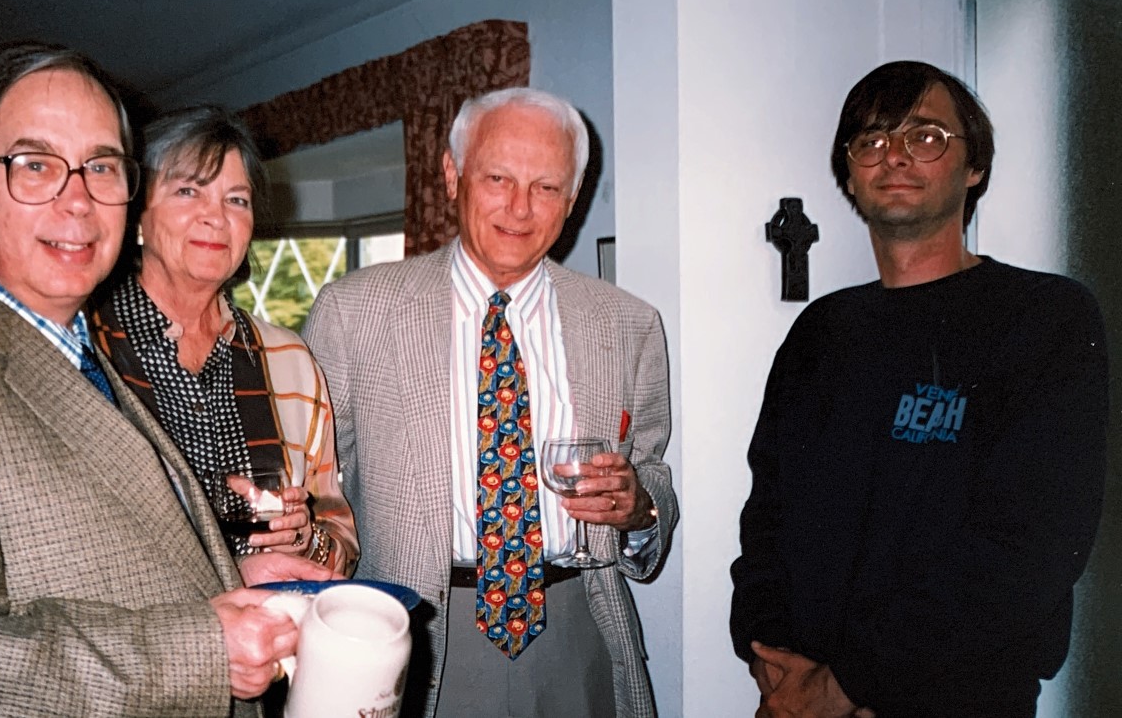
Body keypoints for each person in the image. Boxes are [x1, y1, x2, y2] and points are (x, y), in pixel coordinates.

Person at [0, 42, 333, 718]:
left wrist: (236, 578)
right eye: (35, 164)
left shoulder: (78, 351)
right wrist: (200, 647)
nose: (77, 201)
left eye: (100, 166)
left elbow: (118, 556)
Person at [730, 61, 1109, 718]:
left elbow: (1027, 550)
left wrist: (846, 684)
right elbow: (768, 517)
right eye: (871, 141)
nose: (895, 155)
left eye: (925, 135)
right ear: (849, 176)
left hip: (961, 697)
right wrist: (773, 661)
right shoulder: (820, 331)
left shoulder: (1047, 318)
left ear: (974, 168)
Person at [0, 107, 358, 577]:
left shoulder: (288, 359)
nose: (215, 216)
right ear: (135, 217)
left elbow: (341, 539)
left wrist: (306, 538)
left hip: (272, 658)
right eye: (187, 191)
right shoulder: (72, 337)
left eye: (236, 199)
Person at [301, 87, 678, 718]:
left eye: (547, 187)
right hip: (414, 634)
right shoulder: (352, 312)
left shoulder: (627, 324)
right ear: (452, 175)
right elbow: (313, 490)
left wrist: (638, 507)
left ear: (573, 197)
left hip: (577, 632)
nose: (520, 207)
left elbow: (653, 477)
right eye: (497, 177)